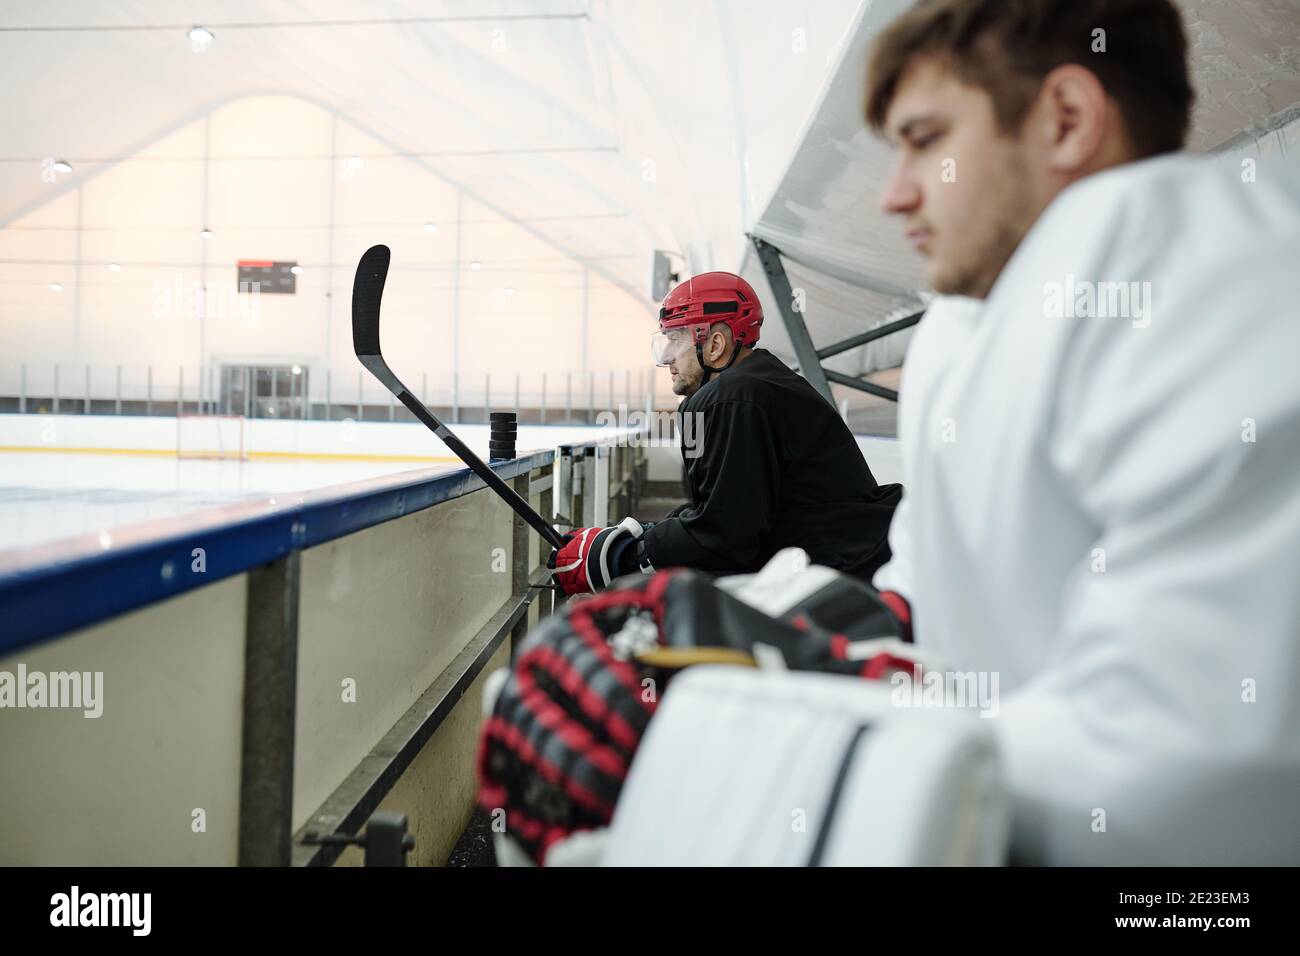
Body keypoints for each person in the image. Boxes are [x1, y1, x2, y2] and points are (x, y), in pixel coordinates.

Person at [860, 0, 1300, 863]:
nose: (893, 193)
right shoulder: (965, 317)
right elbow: (926, 574)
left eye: (926, 139)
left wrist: (800, 752)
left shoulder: (1205, 266)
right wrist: (787, 648)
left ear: (1065, 118)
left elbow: (1184, 756)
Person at [549, 271, 902, 596]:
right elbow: (729, 508)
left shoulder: (729, 399)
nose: (666, 359)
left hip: (843, 581)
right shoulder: (756, 385)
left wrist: (625, 557)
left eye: (675, 340)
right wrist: (635, 535)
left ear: (715, 344)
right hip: (854, 565)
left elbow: (726, 537)